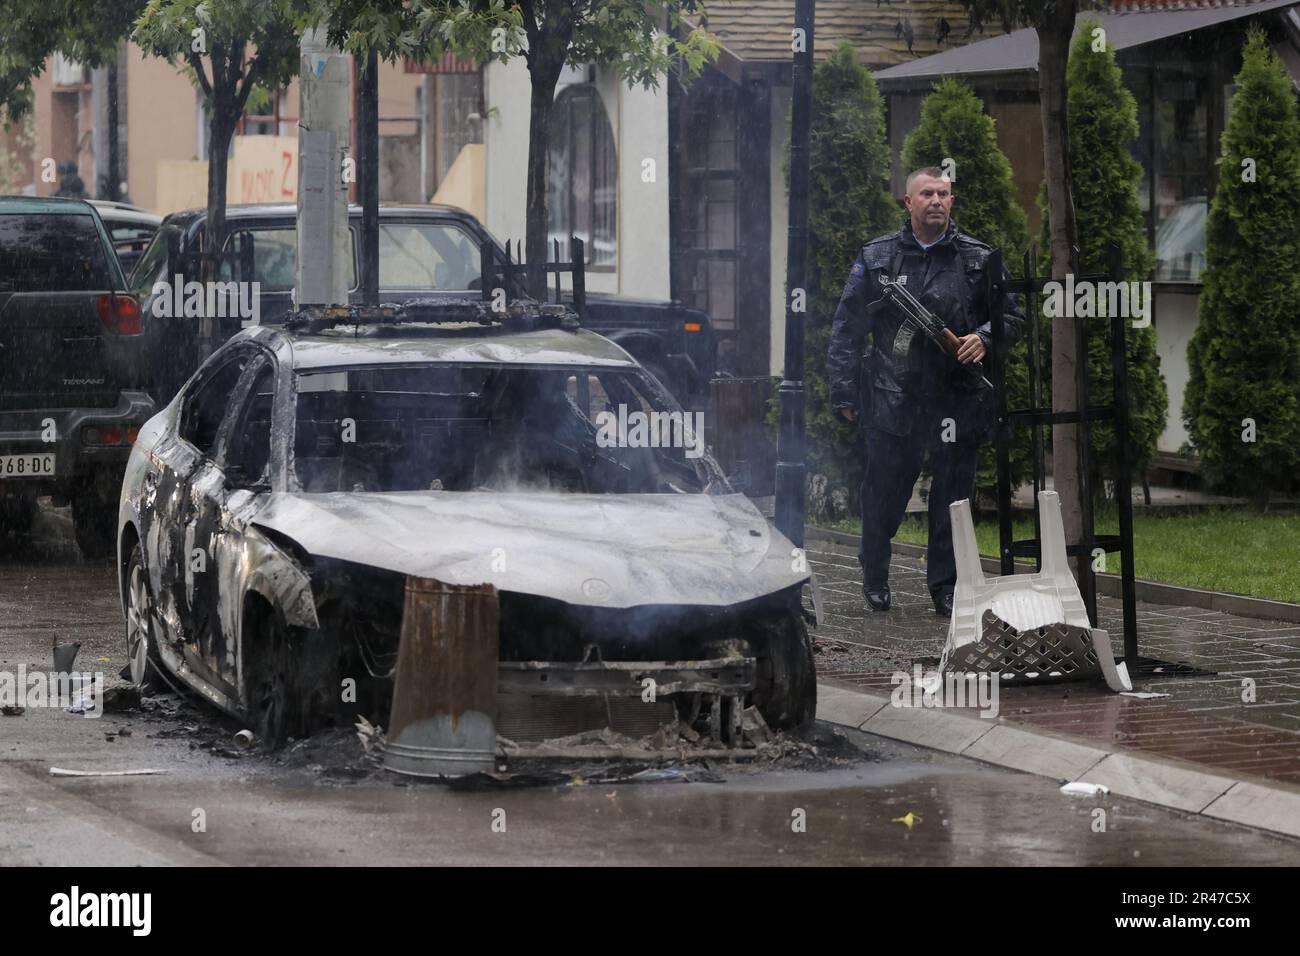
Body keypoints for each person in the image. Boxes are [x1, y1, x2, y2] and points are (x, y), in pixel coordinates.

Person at [826, 167, 1025, 617]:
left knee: (952, 499)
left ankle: (946, 586)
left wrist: (985, 337)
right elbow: (847, 328)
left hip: (957, 396)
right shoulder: (877, 258)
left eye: (943, 194)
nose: (936, 200)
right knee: (884, 494)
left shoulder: (979, 257)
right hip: (893, 396)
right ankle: (874, 570)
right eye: (927, 194)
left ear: (952, 202)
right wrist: (843, 393)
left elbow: (1013, 316)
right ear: (908, 202)